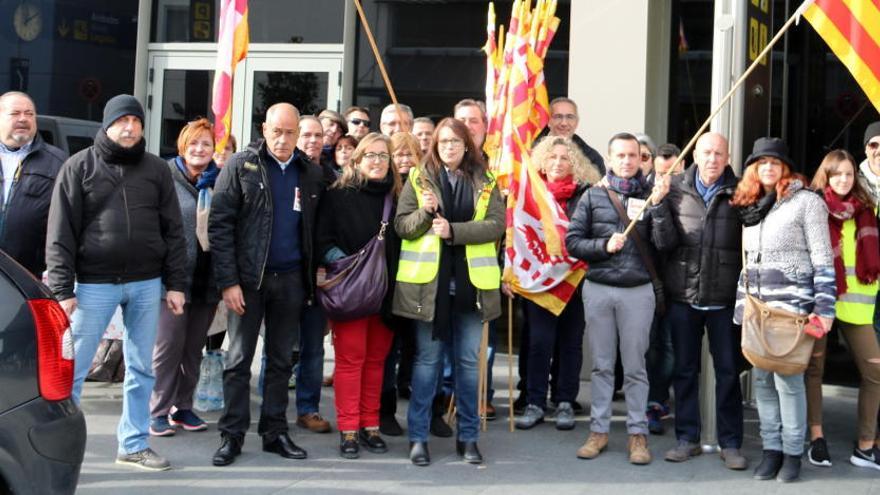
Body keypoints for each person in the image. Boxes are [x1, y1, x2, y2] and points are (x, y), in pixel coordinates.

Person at [46, 94, 187, 471]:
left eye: (135, 121)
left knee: (142, 368)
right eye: (121, 121)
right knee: (73, 370)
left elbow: (174, 230)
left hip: (146, 283)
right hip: (93, 285)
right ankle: (62, 448)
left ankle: (134, 444)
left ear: (143, 126)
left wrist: (176, 284)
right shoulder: (79, 167)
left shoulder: (157, 170)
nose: (129, 128)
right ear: (107, 125)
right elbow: (60, 232)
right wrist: (62, 290)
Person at [208, 103, 327, 466]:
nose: (284, 138)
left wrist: (315, 273)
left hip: (291, 280)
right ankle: (232, 435)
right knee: (239, 359)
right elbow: (220, 225)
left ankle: (274, 432)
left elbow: (318, 229)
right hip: (248, 281)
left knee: (279, 361)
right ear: (264, 128)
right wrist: (228, 282)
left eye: (291, 132)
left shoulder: (310, 173)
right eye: (277, 130)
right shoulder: (241, 165)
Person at [395, 118, 505, 466]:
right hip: (429, 291)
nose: (449, 147)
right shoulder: (418, 178)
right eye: (443, 142)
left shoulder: (486, 181)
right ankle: (418, 438)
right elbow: (402, 227)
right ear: (434, 146)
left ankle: (468, 438)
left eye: (456, 141)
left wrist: (454, 231)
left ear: (467, 145)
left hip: (472, 290)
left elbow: (496, 225)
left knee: (469, 366)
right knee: (427, 364)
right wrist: (426, 214)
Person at [565, 132, 676, 465]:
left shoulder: (653, 194)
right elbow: (572, 242)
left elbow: (665, 243)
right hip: (599, 288)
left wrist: (658, 208)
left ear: (641, 159)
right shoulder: (591, 197)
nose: (627, 161)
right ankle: (598, 431)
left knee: (636, 368)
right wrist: (602, 246)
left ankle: (637, 434)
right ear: (609, 159)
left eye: (633, 155)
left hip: (638, 292)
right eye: (620, 156)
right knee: (600, 366)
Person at [731, 137, 835, 483]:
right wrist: (741, 307)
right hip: (757, 309)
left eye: (775, 162)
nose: (769, 168)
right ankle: (771, 451)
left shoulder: (807, 203)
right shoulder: (749, 205)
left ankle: (792, 454)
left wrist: (824, 308)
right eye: (762, 163)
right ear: (753, 170)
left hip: (792, 310)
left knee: (789, 382)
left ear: (785, 167)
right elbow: (747, 263)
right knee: (761, 380)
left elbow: (823, 259)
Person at [660, 132, 747, 470]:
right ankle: (687, 438)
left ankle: (731, 443)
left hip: (724, 299)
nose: (712, 159)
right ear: (695, 152)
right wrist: (655, 205)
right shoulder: (675, 187)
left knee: (728, 372)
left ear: (727, 157)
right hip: (684, 295)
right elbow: (663, 240)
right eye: (707, 152)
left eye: (719, 153)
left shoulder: (741, 190)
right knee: (684, 371)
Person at [316, 132, 402, 459]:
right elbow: (322, 240)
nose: (377, 161)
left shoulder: (397, 196)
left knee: (377, 362)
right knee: (351, 362)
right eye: (371, 155)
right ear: (357, 160)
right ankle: (349, 429)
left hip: (386, 293)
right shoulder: (338, 195)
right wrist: (349, 266)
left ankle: (370, 425)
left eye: (383, 155)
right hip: (351, 291)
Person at [513, 136, 599, 431]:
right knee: (539, 343)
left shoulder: (587, 194)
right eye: (552, 158)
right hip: (539, 280)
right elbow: (517, 235)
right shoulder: (531, 196)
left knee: (571, 343)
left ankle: (564, 401)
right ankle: (535, 402)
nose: (558, 163)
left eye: (565, 158)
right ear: (542, 162)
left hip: (575, 279)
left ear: (574, 163)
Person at [806, 149, 880, 470]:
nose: (843, 180)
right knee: (814, 370)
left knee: (875, 372)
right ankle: (816, 438)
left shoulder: (867, 209)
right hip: (821, 299)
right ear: (826, 175)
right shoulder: (812, 207)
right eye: (837, 174)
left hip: (857, 303)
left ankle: (865, 445)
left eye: (849, 174)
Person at [149, 118, 221, 437]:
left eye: (206, 143)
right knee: (167, 348)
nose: (199, 149)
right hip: (171, 282)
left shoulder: (220, 181)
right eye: (194, 143)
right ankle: (158, 410)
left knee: (193, 349)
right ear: (182, 145)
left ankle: (184, 407)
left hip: (207, 280)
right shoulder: (164, 176)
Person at [292, 114, 335, 435]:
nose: (313, 140)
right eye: (306, 134)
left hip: (317, 275)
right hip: (284, 272)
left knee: (313, 347)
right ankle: (273, 407)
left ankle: (308, 409)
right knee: (278, 348)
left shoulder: (331, 177)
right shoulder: (281, 172)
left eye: (318, 135)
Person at [0, 91, 67, 277]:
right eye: (15, 113)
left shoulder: (58, 162)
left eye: (29, 114)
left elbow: (69, 221)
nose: (23, 119)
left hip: (30, 276)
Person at [539, 97, 605, 174]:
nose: (564, 123)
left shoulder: (592, 158)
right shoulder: (530, 151)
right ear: (548, 121)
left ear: (577, 122)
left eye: (570, 117)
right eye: (558, 117)